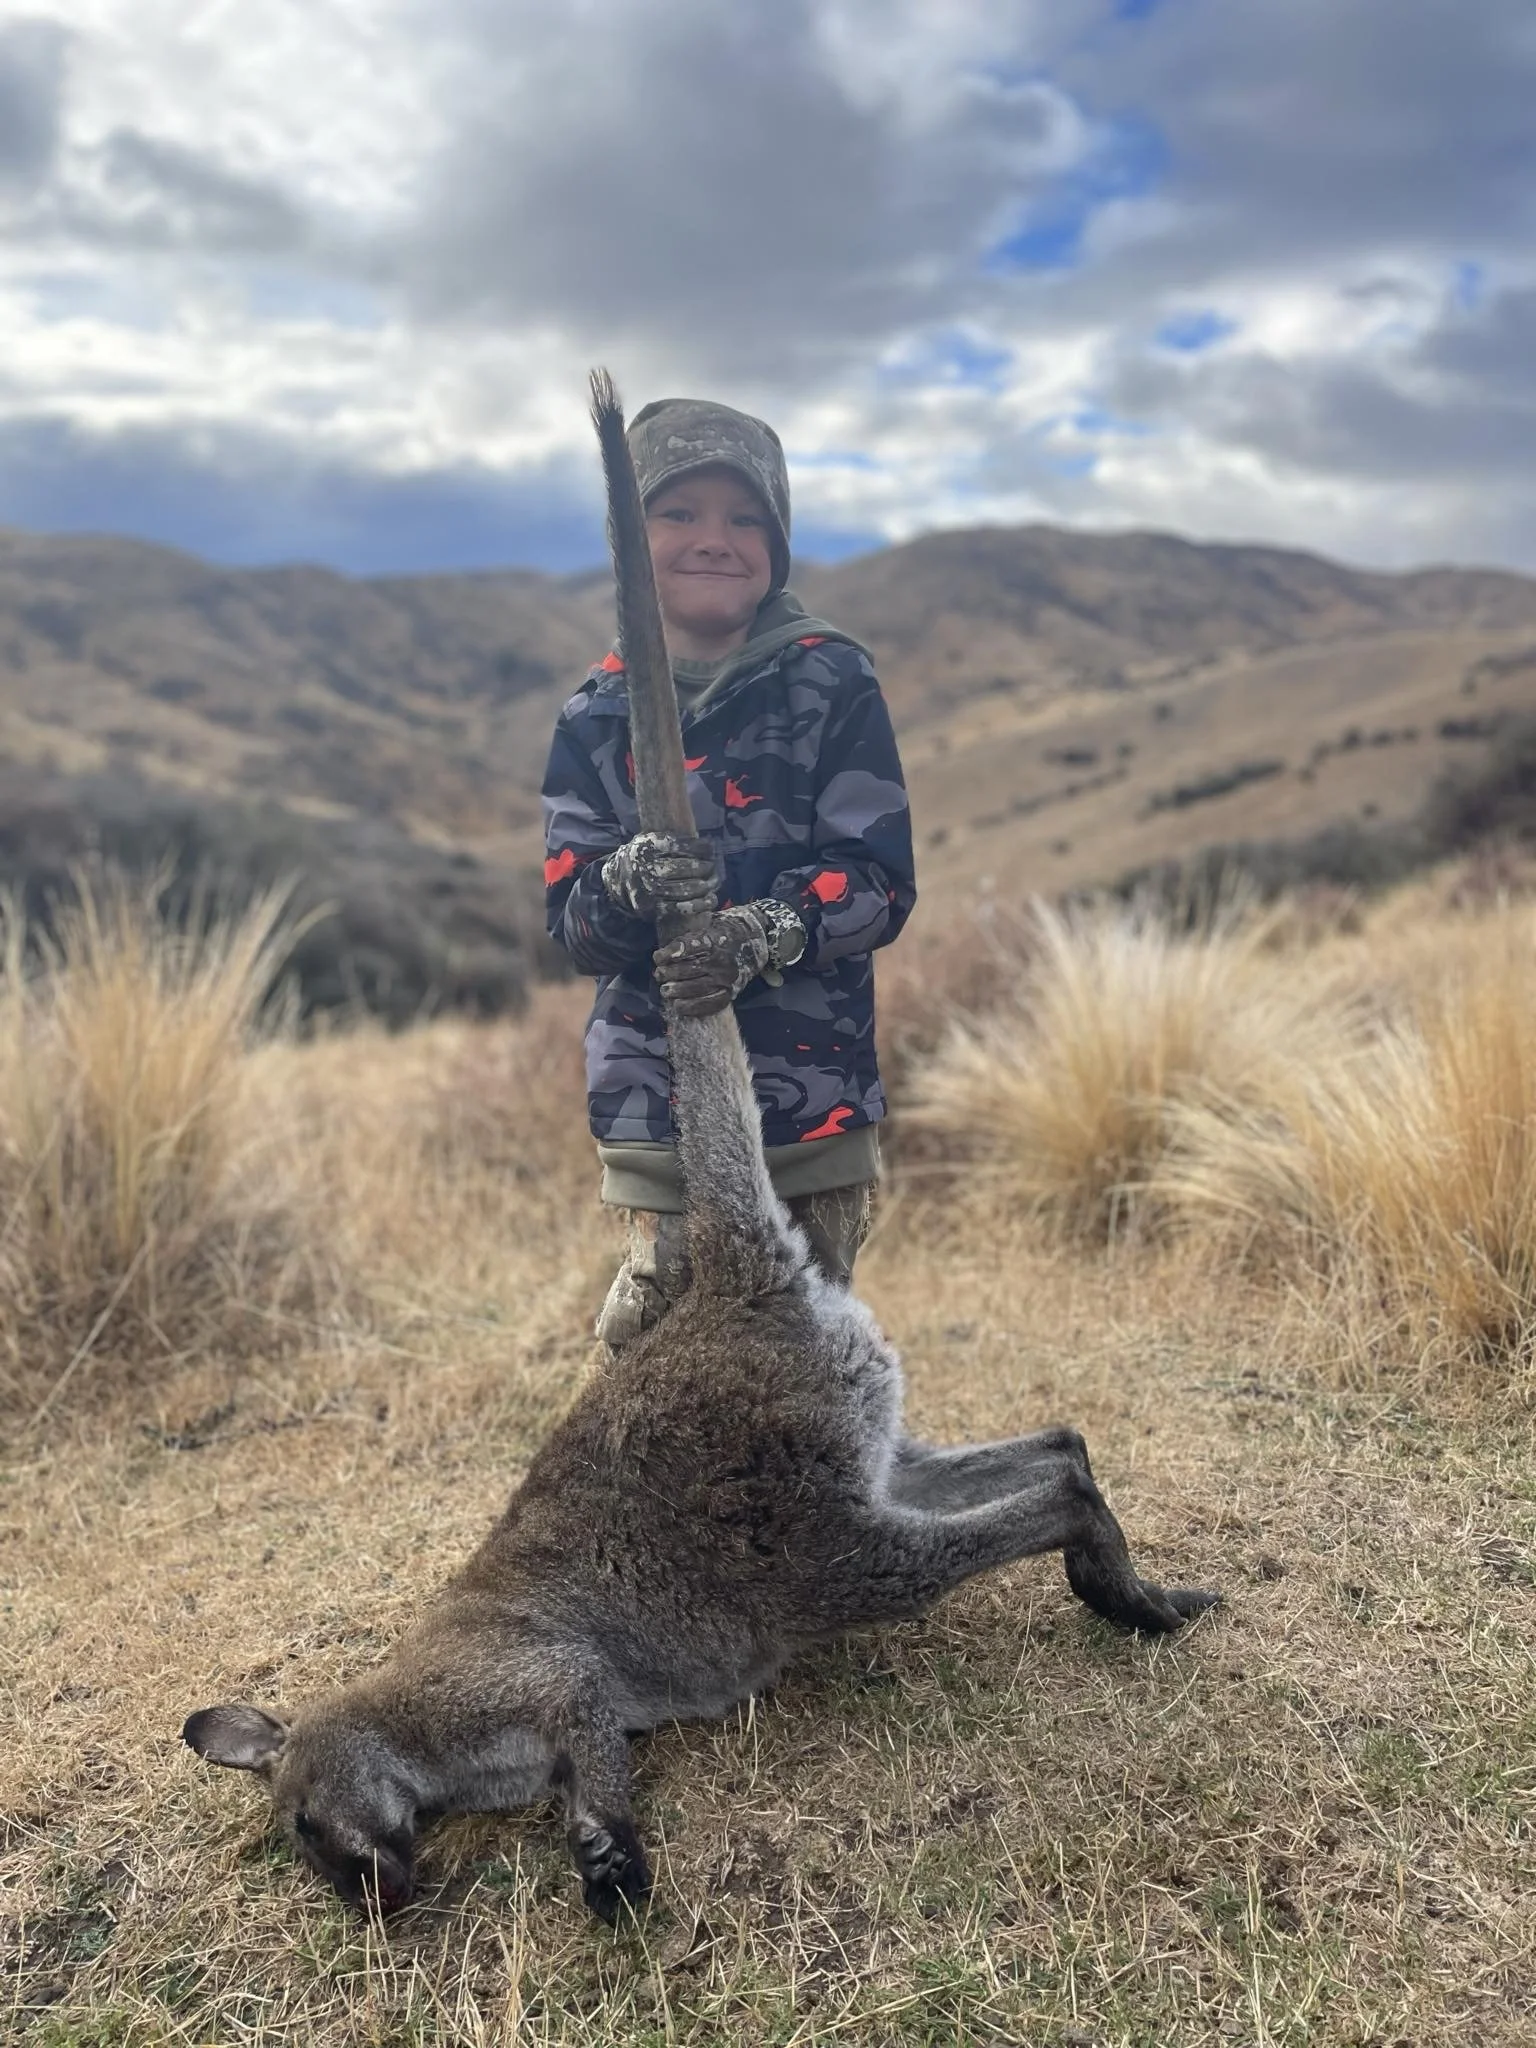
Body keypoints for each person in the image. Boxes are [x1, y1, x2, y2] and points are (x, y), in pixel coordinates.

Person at [542, 396, 915, 1347]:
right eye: (677, 513)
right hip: (656, 1107)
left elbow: (876, 881)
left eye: (746, 517)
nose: (716, 539)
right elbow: (573, 923)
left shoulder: (832, 679)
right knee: (655, 1358)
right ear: (632, 543)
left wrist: (761, 933)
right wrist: (624, 884)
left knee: (806, 1371)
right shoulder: (592, 715)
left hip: (808, 1112)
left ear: (779, 544)